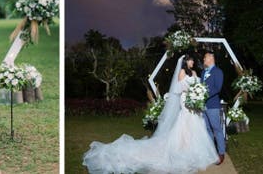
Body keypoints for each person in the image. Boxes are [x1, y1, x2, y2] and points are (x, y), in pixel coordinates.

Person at [83, 55, 219, 174]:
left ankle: (192, 150)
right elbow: (179, 88)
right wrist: (192, 92)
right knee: (185, 123)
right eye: (191, 60)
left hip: (194, 102)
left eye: (193, 61)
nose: (193, 62)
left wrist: (198, 92)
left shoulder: (194, 72)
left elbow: (199, 85)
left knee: (195, 124)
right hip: (186, 100)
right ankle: (182, 147)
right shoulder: (182, 72)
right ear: (185, 62)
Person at [202, 51, 226, 164]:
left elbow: (217, 88)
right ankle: (211, 152)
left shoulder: (218, 72)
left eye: (205, 58)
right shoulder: (203, 72)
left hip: (212, 105)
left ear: (211, 58)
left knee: (217, 129)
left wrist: (203, 95)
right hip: (202, 106)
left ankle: (221, 153)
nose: (203, 60)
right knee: (207, 129)